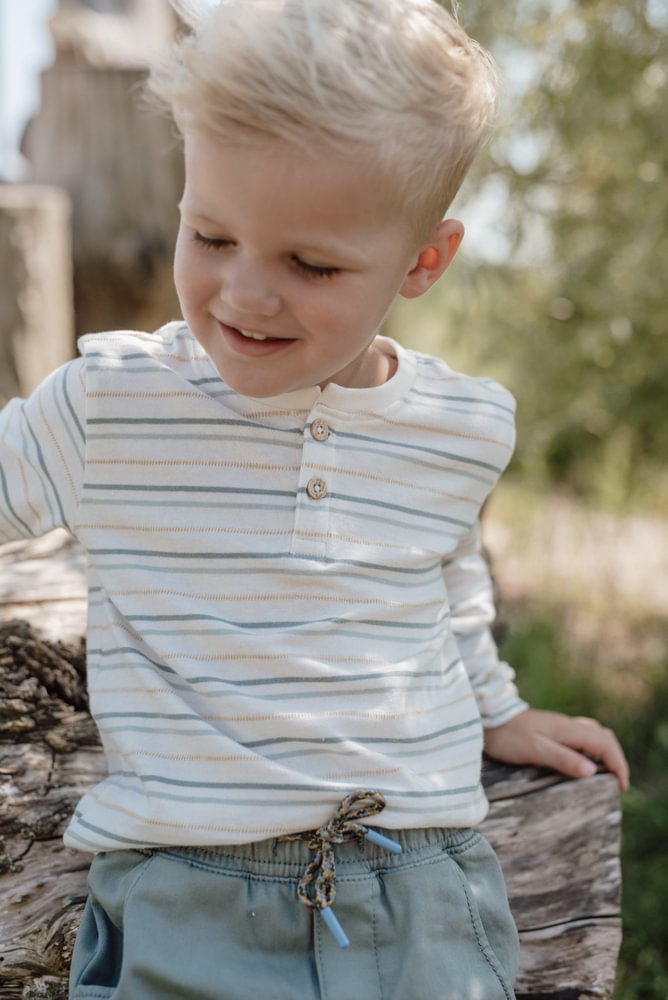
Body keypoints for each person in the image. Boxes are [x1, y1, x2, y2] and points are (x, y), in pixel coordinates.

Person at [0, 1, 628, 997]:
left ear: (423, 260)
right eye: (211, 235)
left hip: (417, 887)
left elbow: (446, 577)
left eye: (311, 264)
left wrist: (494, 706)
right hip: (189, 895)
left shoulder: (457, 425)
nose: (246, 293)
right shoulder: (112, 404)